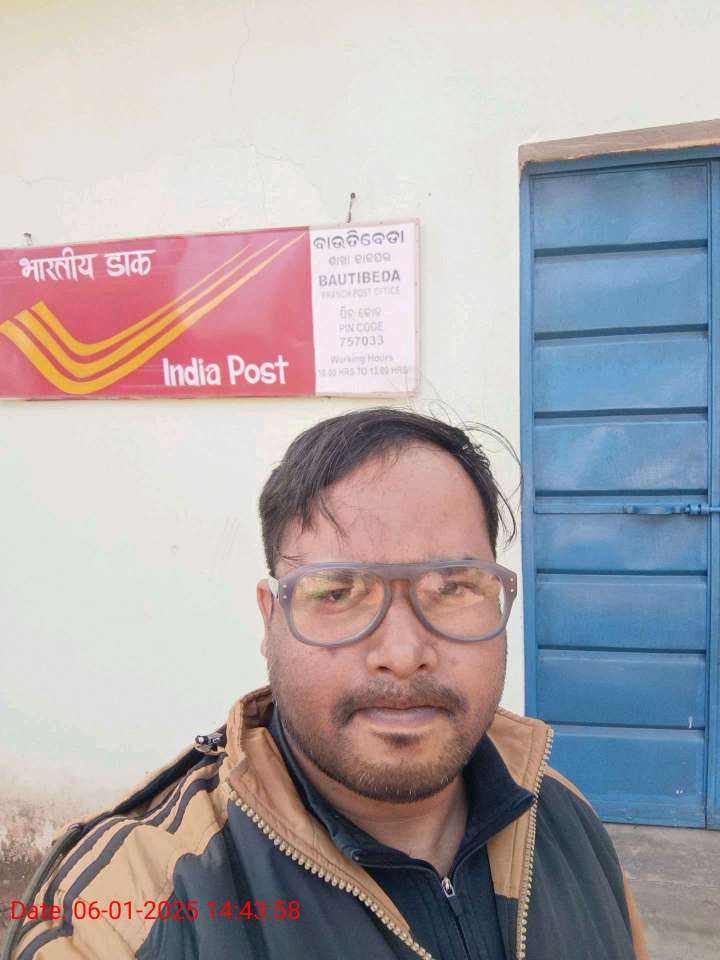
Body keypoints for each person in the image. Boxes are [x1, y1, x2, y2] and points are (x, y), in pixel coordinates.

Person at [4, 409, 648, 960]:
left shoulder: (562, 818)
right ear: (271, 619)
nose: (404, 655)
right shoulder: (125, 906)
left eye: (453, 586)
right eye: (338, 592)